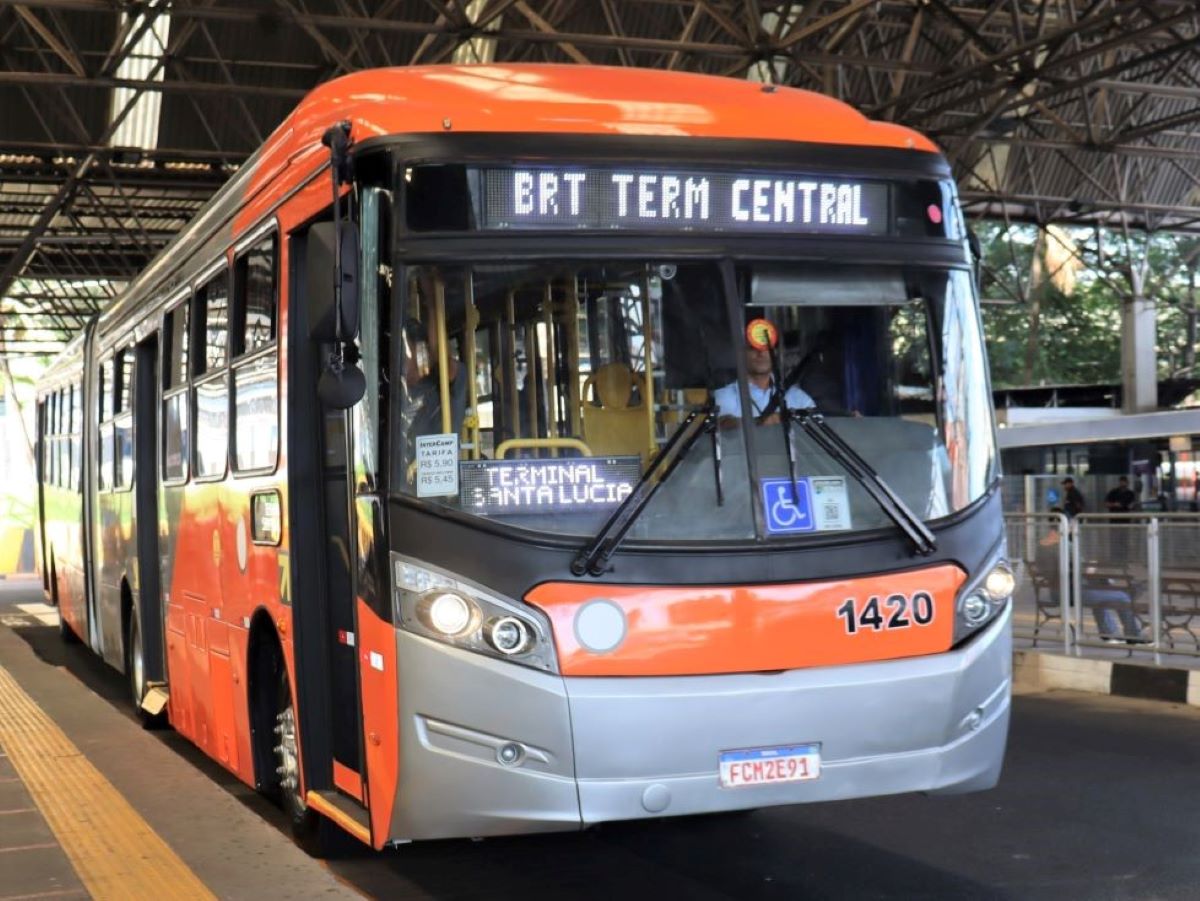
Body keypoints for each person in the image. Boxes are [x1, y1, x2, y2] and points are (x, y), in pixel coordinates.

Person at [1036, 510, 1143, 644]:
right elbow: (1086, 570)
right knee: (1122, 597)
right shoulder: (1067, 546)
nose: (1072, 527)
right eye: (1071, 524)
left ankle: (1109, 633)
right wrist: (1092, 565)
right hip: (1074, 592)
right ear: (1065, 525)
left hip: (1055, 593)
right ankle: (1134, 636)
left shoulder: (1040, 546)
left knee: (1101, 595)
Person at [713, 319, 815, 426]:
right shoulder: (722, 398)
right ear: (741, 354)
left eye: (767, 348)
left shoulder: (799, 399)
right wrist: (758, 422)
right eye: (753, 348)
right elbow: (719, 429)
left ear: (775, 353)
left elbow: (816, 435)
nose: (760, 353)